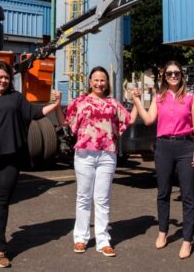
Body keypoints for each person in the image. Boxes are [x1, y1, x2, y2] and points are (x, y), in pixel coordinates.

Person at [0, 60, 64, 268]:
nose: (3, 80)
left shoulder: (16, 99)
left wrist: (54, 104)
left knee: (0, 199)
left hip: (10, 157)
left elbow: (35, 113)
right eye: (0, 77)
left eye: (7, 78)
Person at [131, 60, 194, 260]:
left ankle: (187, 240)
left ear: (181, 76)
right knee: (163, 193)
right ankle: (163, 232)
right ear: (164, 76)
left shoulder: (190, 98)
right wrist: (137, 101)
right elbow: (148, 120)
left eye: (176, 73)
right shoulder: (159, 98)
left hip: (185, 147)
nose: (173, 76)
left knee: (188, 195)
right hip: (163, 147)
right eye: (169, 73)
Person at [67, 66, 136, 257]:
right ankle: (80, 238)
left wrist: (137, 102)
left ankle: (103, 240)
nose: (99, 83)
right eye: (96, 80)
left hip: (107, 155)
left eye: (102, 80)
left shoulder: (113, 103)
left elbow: (128, 119)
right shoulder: (80, 101)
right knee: (83, 197)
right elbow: (68, 122)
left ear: (107, 84)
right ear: (90, 82)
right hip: (84, 154)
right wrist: (56, 104)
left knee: (102, 199)